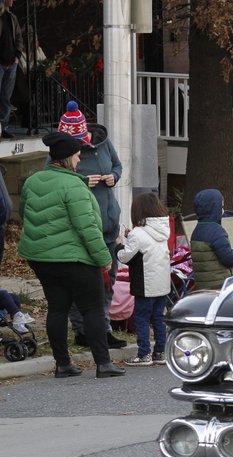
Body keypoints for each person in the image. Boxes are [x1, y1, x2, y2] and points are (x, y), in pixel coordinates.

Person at [17, 131, 124, 378]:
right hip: (75, 260)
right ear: (66, 159)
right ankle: (104, 364)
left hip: (41, 259)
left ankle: (63, 364)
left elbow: (25, 213)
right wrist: (104, 259)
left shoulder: (33, 181)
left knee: (57, 309)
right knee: (93, 309)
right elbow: (88, 228)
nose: (79, 161)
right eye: (76, 157)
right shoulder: (75, 185)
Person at [58, 100, 127, 350]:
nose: (80, 146)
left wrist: (113, 177)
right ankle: (81, 330)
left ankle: (104, 327)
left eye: (82, 139)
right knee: (83, 282)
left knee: (108, 279)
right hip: (82, 229)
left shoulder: (103, 142)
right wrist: (81, 182)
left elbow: (118, 166)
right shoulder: (62, 153)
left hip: (108, 225)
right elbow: (55, 180)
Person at [116, 193, 171, 366]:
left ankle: (144, 354)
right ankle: (160, 353)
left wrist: (119, 244)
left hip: (145, 284)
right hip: (162, 283)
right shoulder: (163, 230)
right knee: (158, 318)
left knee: (141, 318)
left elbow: (125, 257)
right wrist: (131, 236)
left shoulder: (138, 233)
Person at [189, 189, 233, 290]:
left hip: (202, 284)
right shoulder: (216, 231)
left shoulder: (196, 231)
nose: (222, 210)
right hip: (219, 284)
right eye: (221, 207)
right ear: (213, 208)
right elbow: (228, 258)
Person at [0, 0, 22, 140]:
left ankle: (4, 126)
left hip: (11, 63)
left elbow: (18, 37)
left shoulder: (12, 17)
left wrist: (18, 55)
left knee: (6, 97)